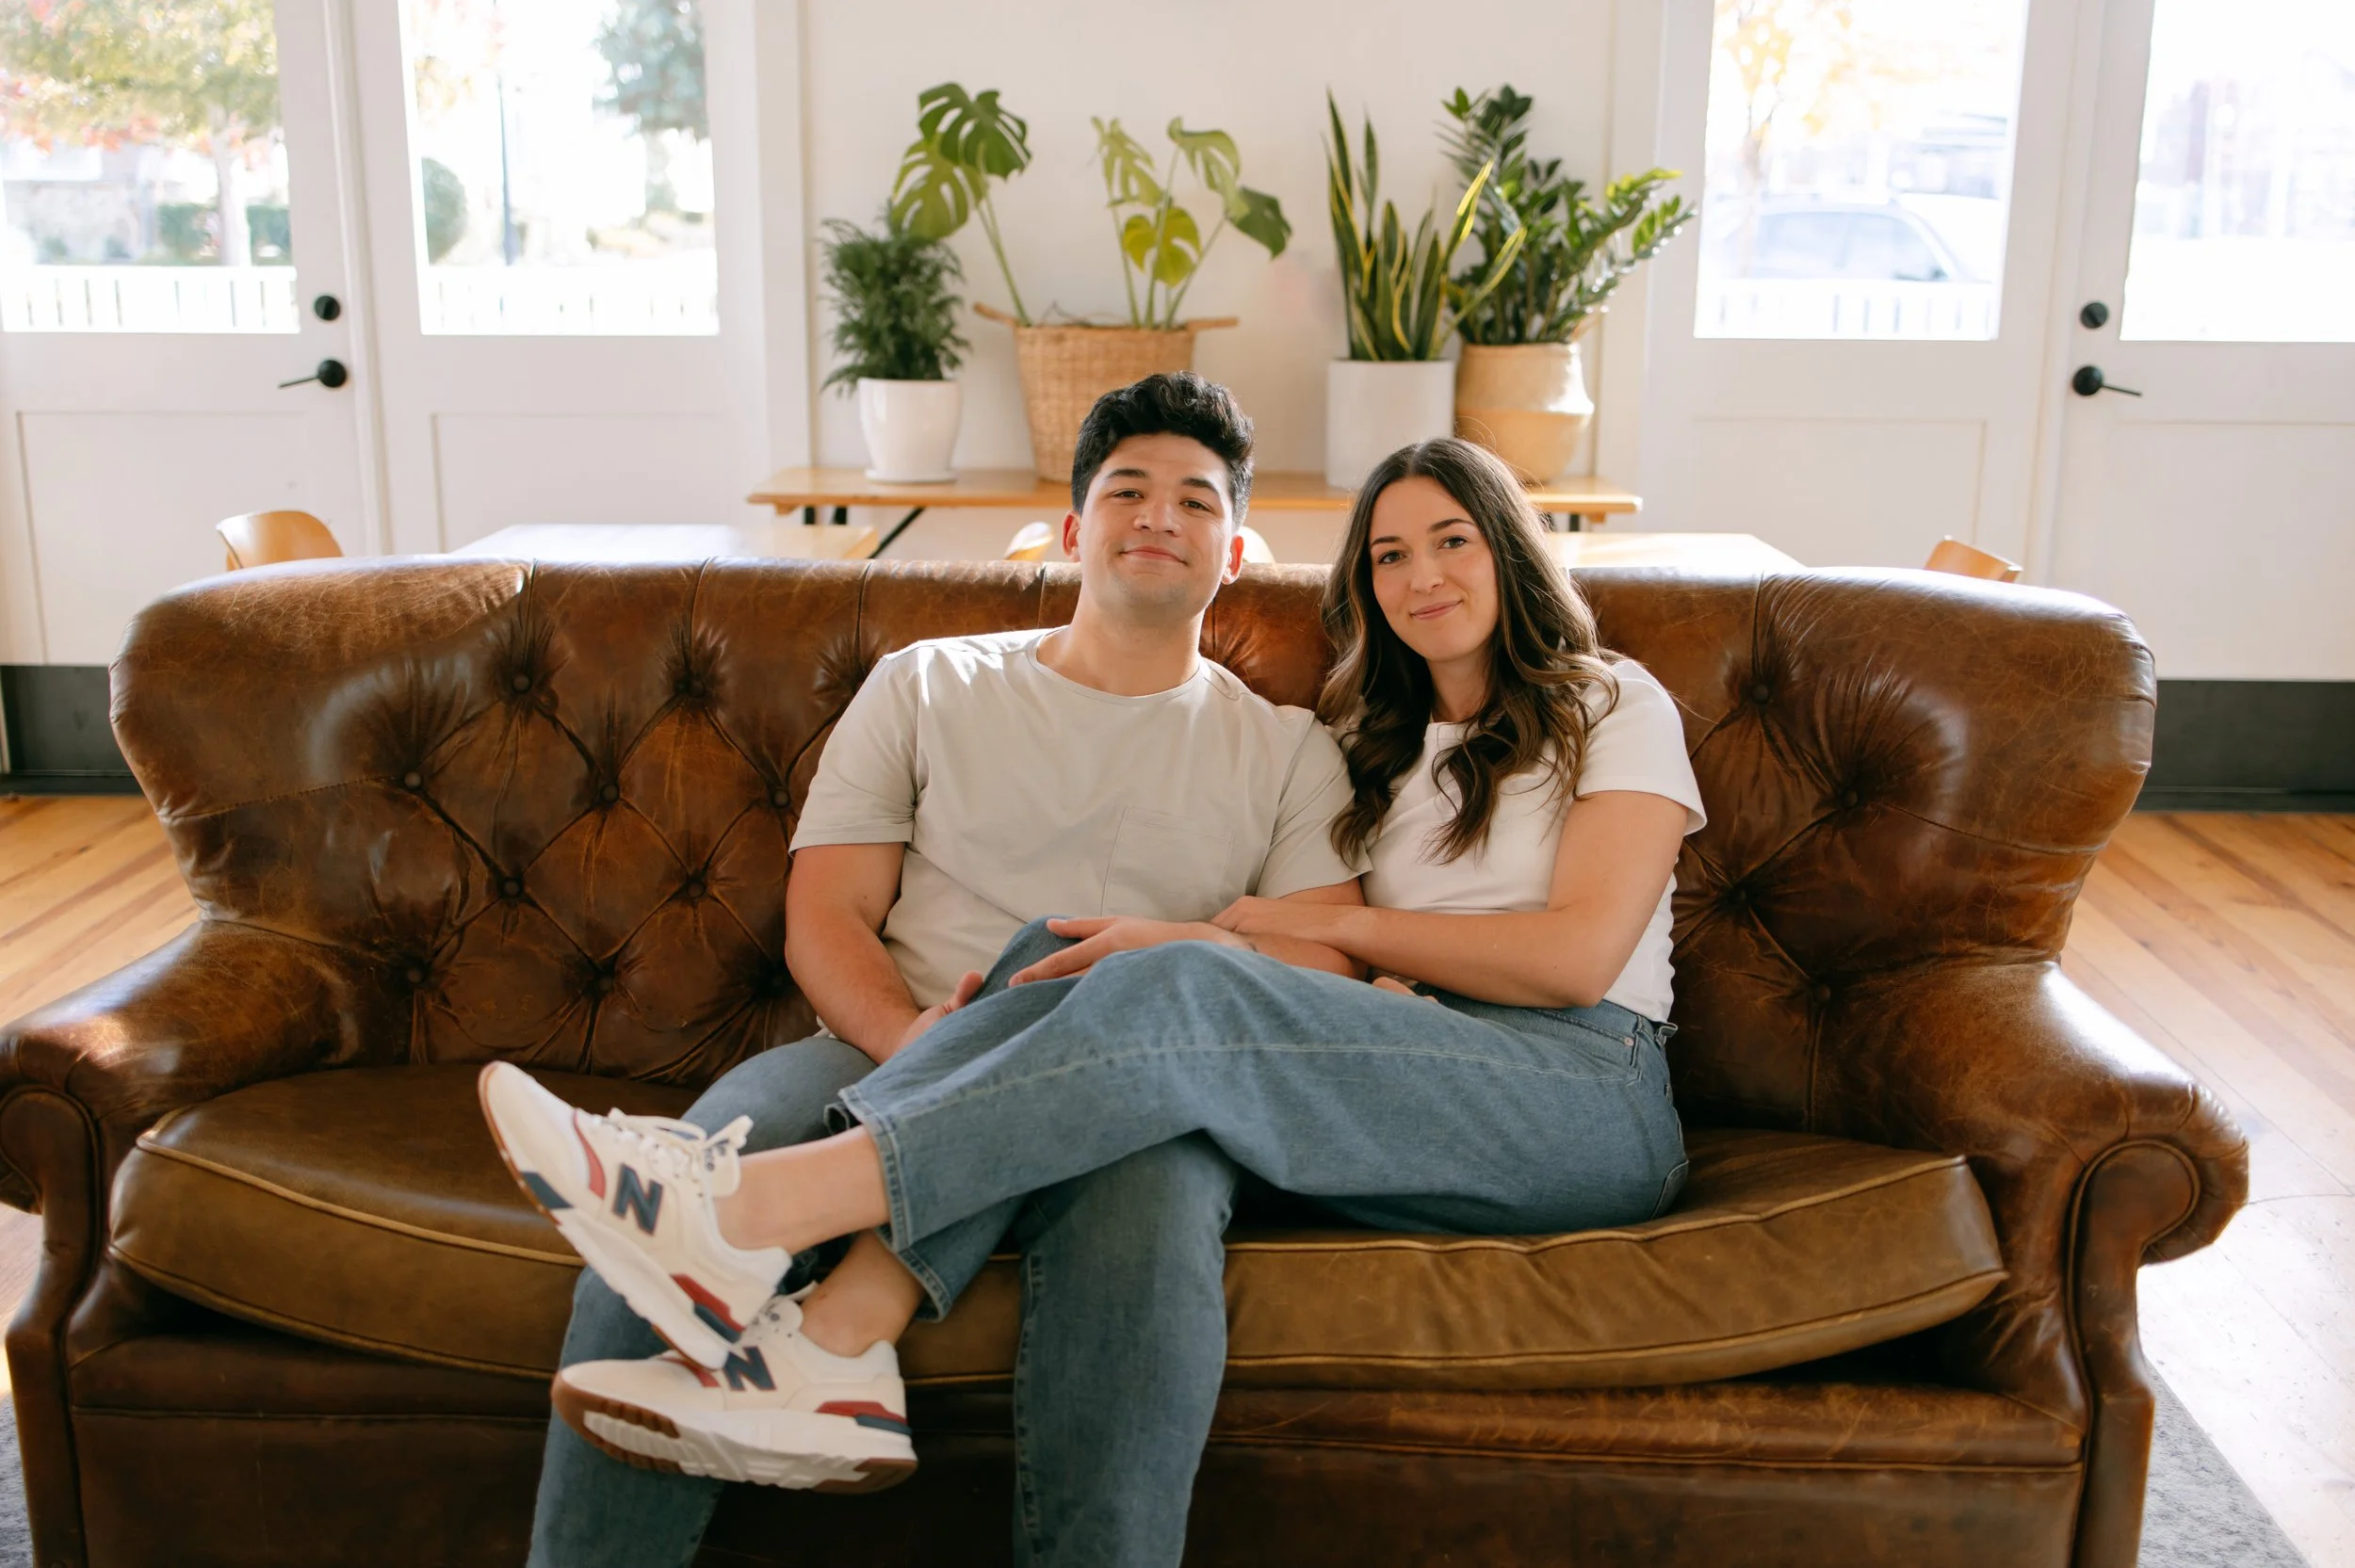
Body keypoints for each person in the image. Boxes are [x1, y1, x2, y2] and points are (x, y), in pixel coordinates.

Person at [488, 429, 1706, 1567]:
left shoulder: (1607, 703)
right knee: (1065, 949)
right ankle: (837, 1348)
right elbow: (1328, 975)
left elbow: (1573, 959)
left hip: (1577, 1081)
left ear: (1512, 548)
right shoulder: (1365, 745)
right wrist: (1215, 933)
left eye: (1454, 538)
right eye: (1388, 552)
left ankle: (754, 1215)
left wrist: (1303, 925)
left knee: (1163, 973)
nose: (1422, 573)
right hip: (1405, 1071)